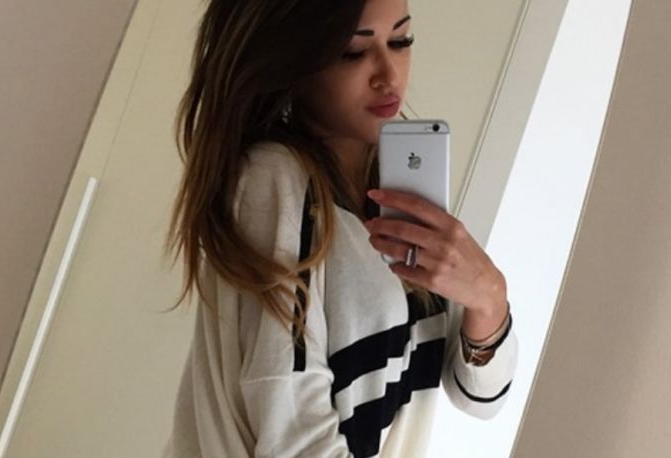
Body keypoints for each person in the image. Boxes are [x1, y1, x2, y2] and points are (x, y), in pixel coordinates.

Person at [161, 0, 518, 456]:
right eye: (354, 52)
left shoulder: (395, 190)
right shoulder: (276, 181)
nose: (389, 74)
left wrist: (488, 298)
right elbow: (292, 424)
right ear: (296, 60)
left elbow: (480, 396)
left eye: (401, 40)